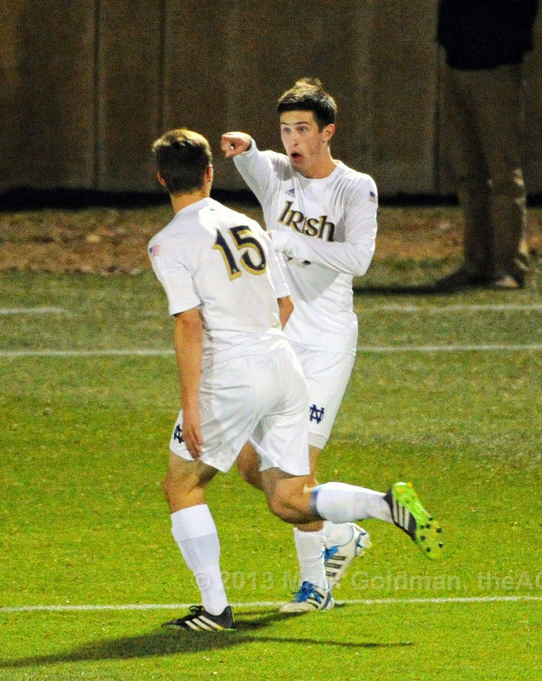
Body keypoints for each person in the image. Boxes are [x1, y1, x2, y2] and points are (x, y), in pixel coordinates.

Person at [149, 129, 442, 632]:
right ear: (210, 174)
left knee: (182, 485)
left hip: (232, 375)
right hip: (283, 364)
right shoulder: (249, 226)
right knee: (287, 496)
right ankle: (383, 505)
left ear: (160, 180)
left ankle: (215, 609)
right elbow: (285, 304)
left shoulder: (167, 242)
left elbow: (189, 324)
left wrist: (194, 404)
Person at [220, 78, 380, 613]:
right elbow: (252, 158)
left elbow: (359, 259)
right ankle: (341, 534)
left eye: (303, 129)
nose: (292, 138)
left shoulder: (356, 187)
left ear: (327, 132)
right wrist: (242, 145)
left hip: (326, 342)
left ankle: (316, 587)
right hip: (278, 335)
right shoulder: (278, 174)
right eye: (285, 128)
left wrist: (292, 242)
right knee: (248, 465)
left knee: (294, 472)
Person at [433, 0, 539, 291]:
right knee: (469, 175)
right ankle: (477, 264)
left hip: (496, 66)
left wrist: (507, 48)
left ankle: (509, 266)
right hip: (459, 61)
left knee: (504, 173)